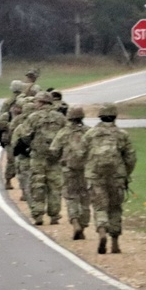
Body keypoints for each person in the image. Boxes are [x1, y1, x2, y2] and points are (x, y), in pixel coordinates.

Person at [82, 103, 137, 254]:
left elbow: (81, 153)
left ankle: (101, 231)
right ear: (115, 116)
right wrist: (126, 173)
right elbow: (131, 157)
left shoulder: (90, 134)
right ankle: (115, 242)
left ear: (100, 116)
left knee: (100, 206)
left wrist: (87, 169)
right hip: (116, 176)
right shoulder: (122, 134)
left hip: (95, 175)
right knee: (115, 207)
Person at [18, 91, 67, 226]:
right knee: (55, 186)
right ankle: (54, 215)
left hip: (38, 157)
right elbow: (65, 135)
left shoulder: (33, 117)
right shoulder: (60, 117)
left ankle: (38, 214)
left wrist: (33, 145)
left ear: (40, 102)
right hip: (55, 158)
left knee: (37, 184)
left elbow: (25, 136)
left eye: (36, 102)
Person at [50, 105, 90, 240]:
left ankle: (75, 222)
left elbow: (54, 150)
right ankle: (83, 225)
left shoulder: (63, 132)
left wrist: (60, 158)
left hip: (68, 169)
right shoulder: (89, 132)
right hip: (86, 170)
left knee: (71, 197)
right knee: (85, 197)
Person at [0, 80, 23, 190]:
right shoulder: (25, 100)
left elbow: (1, 119)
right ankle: (18, 184)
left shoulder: (7, 102)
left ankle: (8, 180)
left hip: (10, 135)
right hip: (20, 134)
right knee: (21, 161)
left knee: (11, 160)